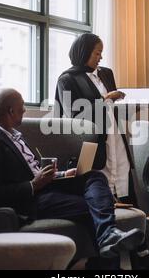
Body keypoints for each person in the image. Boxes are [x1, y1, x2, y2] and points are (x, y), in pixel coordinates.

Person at [0, 88, 144, 268]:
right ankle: (106, 254)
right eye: (22, 106)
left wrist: (61, 174)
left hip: (46, 185)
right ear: (11, 111)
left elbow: (33, 168)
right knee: (96, 205)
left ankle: (108, 236)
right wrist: (33, 185)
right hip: (30, 198)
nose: (24, 110)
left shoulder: (14, 134)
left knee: (93, 176)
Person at [54, 33, 134, 203]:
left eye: (101, 53)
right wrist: (106, 99)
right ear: (84, 52)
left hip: (114, 133)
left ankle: (127, 218)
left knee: (122, 172)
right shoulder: (67, 79)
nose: (101, 57)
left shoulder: (106, 74)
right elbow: (74, 116)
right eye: (96, 53)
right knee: (100, 177)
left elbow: (112, 108)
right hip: (92, 140)